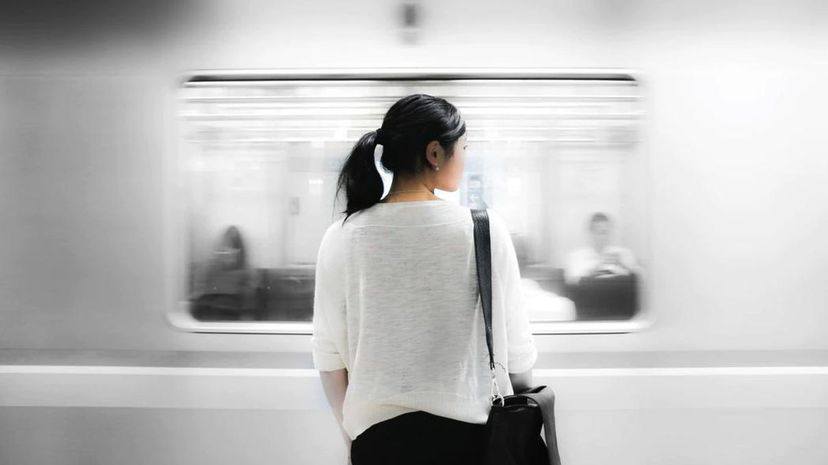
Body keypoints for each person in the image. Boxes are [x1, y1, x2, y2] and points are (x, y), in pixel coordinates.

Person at [311, 94, 538, 465]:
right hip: (471, 442)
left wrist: (353, 439)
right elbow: (518, 355)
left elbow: (329, 358)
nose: (466, 157)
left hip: (377, 443)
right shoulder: (485, 229)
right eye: (463, 147)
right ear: (435, 153)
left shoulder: (341, 235)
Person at [190, 225, 255, 321]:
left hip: (233, 316)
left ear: (239, 251)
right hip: (209, 315)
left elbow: (249, 305)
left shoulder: (247, 272)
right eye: (224, 249)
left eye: (232, 248)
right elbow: (199, 297)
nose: (228, 252)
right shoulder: (209, 268)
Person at [564, 212, 640, 285]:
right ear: (590, 233)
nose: (603, 237)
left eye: (606, 232)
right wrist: (598, 266)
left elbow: (641, 279)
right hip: (588, 296)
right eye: (599, 232)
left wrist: (623, 265)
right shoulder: (577, 257)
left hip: (618, 295)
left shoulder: (623, 253)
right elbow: (571, 282)